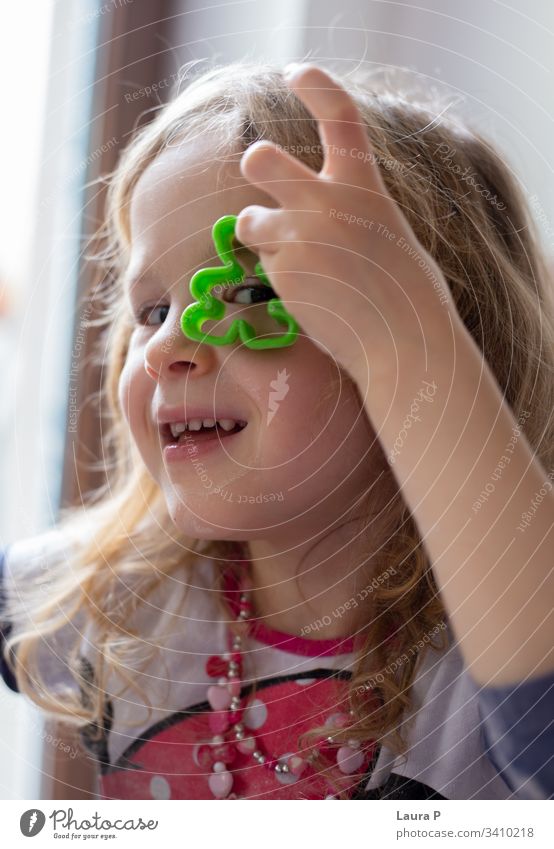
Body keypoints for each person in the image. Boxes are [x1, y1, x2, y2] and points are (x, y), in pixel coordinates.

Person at [1, 60, 553, 801]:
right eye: (152, 311)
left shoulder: (491, 644)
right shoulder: (114, 597)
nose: (166, 348)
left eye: (254, 291)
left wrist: (412, 348)